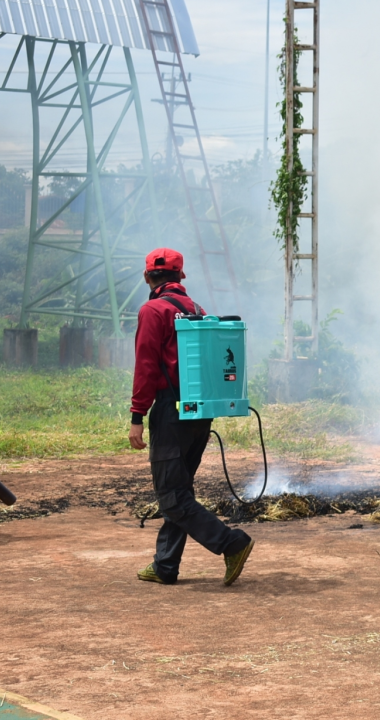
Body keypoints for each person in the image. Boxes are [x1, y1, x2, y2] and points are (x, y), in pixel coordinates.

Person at [128, 248, 254, 586]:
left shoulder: (152, 310)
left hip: (171, 410)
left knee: (172, 495)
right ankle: (165, 564)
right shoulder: (196, 309)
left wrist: (137, 414)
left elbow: (146, 366)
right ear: (180, 278)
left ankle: (231, 543)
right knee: (180, 489)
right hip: (201, 412)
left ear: (147, 277)